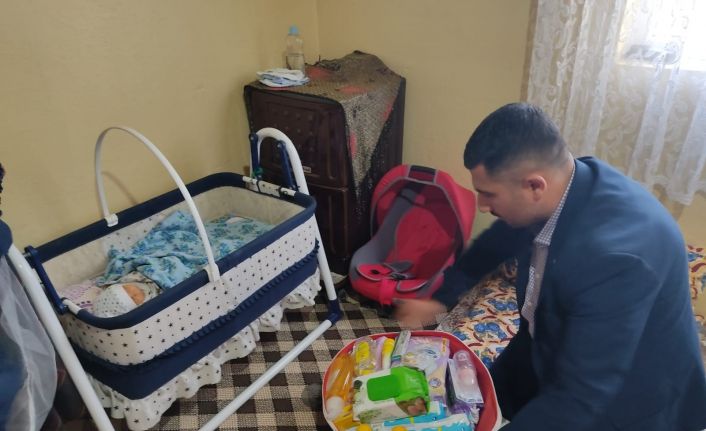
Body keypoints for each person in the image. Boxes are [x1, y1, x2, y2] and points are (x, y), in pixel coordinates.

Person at [394, 103, 706, 430]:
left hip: (631, 394)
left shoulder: (613, 260)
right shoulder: (567, 184)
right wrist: (439, 298)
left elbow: (579, 396)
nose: (482, 206)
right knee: (479, 402)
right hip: (542, 338)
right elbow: (495, 242)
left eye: (488, 195)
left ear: (534, 186)